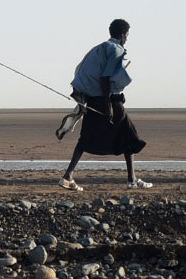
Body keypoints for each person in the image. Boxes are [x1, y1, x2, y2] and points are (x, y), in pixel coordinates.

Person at [61, 19, 150, 191]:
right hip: (107, 100)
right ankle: (131, 180)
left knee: (86, 138)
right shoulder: (116, 49)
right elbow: (105, 78)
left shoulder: (100, 47)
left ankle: (68, 176)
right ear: (123, 34)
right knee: (129, 135)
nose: (127, 39)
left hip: (94, 99)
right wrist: (108, 105)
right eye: (127, 35)